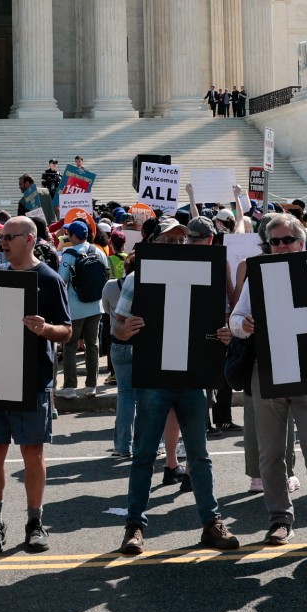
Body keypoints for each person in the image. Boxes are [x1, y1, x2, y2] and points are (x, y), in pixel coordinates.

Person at [112, 223, 240, 556]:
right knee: (143, 455)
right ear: (153, 243)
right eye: (169, 239)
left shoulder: (205, 275)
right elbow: (117, 327)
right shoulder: (137, 278)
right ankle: (135, 526)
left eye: (181, 239)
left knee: (199, 455)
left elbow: (213, 329)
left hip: (192, 377)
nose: (177, 243)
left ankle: (211, 522)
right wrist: (127, 331)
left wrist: (223, 335)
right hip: (155, 377)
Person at [229, 213, 307, 549]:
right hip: (266, 372)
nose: (280, 247)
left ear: (302, 241)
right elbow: (235, 317)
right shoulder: (259, 276)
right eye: (274, 242)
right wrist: (243, 326)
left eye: (287, 240)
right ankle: (280, 519)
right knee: (271, 453)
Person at [0, 216, 73, 554]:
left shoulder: (48, 279)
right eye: (1, 237)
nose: (3, 242)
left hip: (32, 378)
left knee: (32, 452)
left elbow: (67, 330)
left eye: (9, 237)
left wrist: (46, 329)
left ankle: (35, 522)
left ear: (30, 239)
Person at [58, 221, 105, 390]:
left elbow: (61, 280)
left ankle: (70, 387)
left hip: (75, 309)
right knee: (92, 345)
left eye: (69, 234)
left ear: (74, 236)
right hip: (96, 306)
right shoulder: (99, 252)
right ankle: (91, 386)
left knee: (69, 346)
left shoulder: (69, 255)